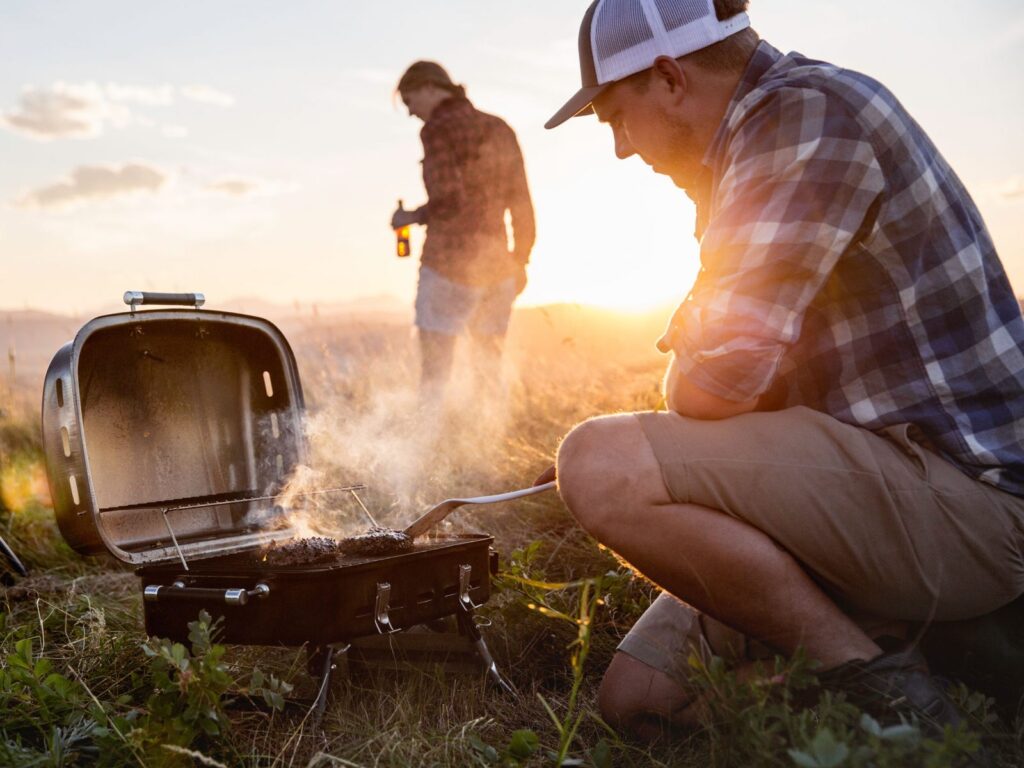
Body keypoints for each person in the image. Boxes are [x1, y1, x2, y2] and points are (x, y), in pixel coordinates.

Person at [543, 0, 1024, 741]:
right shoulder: (751, 146)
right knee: (640, 699)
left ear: (669, 77)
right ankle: (914, 649)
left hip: (970, 503)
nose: (620, 149)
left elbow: (717, 386)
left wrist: (690, 386)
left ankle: (885, 695)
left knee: (599, 464)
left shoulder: (801, 119)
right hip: (883, 481)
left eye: (614, 115)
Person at [392, 61, 535, 403]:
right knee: (487, 369)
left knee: (435, 374)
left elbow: (449, 199)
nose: (413, 114)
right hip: (498, 269)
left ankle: (431, 445)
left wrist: (409, 217)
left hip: (448, 267)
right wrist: (520, 260)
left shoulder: (437, 129)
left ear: (428, 87)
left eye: (410, 102)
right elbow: (522, 203)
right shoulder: (499, 127)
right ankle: (487, 445)